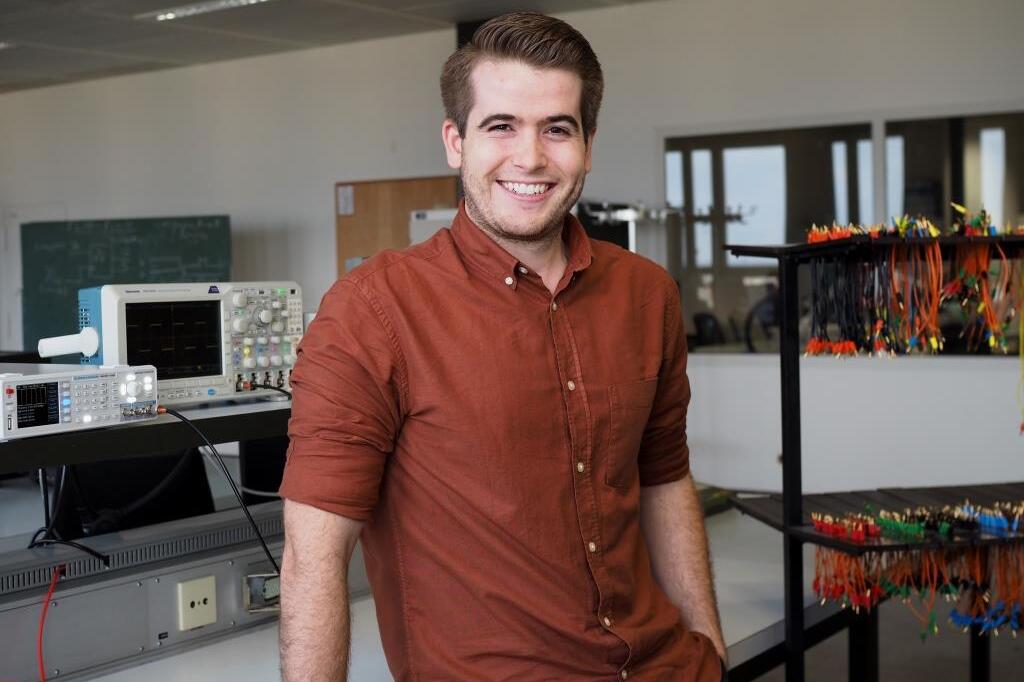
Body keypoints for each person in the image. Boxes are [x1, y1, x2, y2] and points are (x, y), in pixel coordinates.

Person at [279, 11, 726, 681]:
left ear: (588, 145)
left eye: (557, 128)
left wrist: (708, 644)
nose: (531, 157)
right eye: (501, 127)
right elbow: (313, 555)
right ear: (454, 142)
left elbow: (664, 480)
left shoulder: (647, 294)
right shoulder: (372, 311)